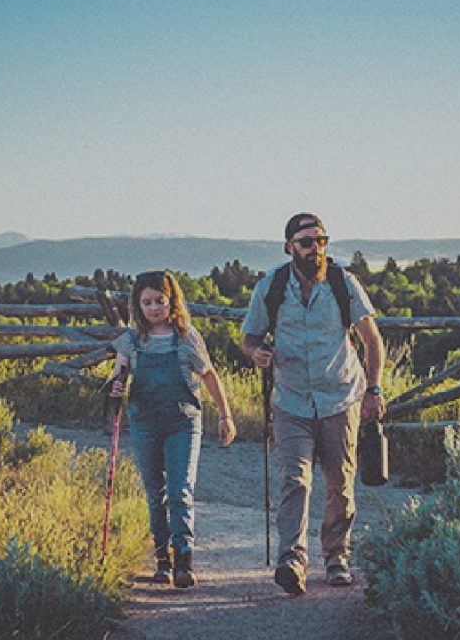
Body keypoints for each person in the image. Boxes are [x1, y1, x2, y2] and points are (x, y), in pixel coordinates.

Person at [240, 212, 385, 595]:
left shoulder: (343, 283)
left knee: (340, 482)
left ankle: (337, 559)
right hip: (291, 402)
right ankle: (293, 561)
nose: (316, 248)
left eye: (321, 241)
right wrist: (256, 354)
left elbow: (372, 339)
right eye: (307, 242)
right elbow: (249, 338)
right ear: (290, 248)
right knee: (295, 481)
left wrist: (374, 390)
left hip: (340, 398)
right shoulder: (270, 287)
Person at [108, 269, 237, 588]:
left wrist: (225, 415)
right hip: (144, 423)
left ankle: (184, 560)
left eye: (160, 301)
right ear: (137, 306)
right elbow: (118, 377)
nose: (154, 308)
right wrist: (114, 388)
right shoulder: (130, 340)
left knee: (180, 492)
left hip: (183, 421)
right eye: (147, 302)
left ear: (172, 302)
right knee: (155, 493)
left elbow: (208, 375)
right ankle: (162, 561)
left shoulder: (187, 337)